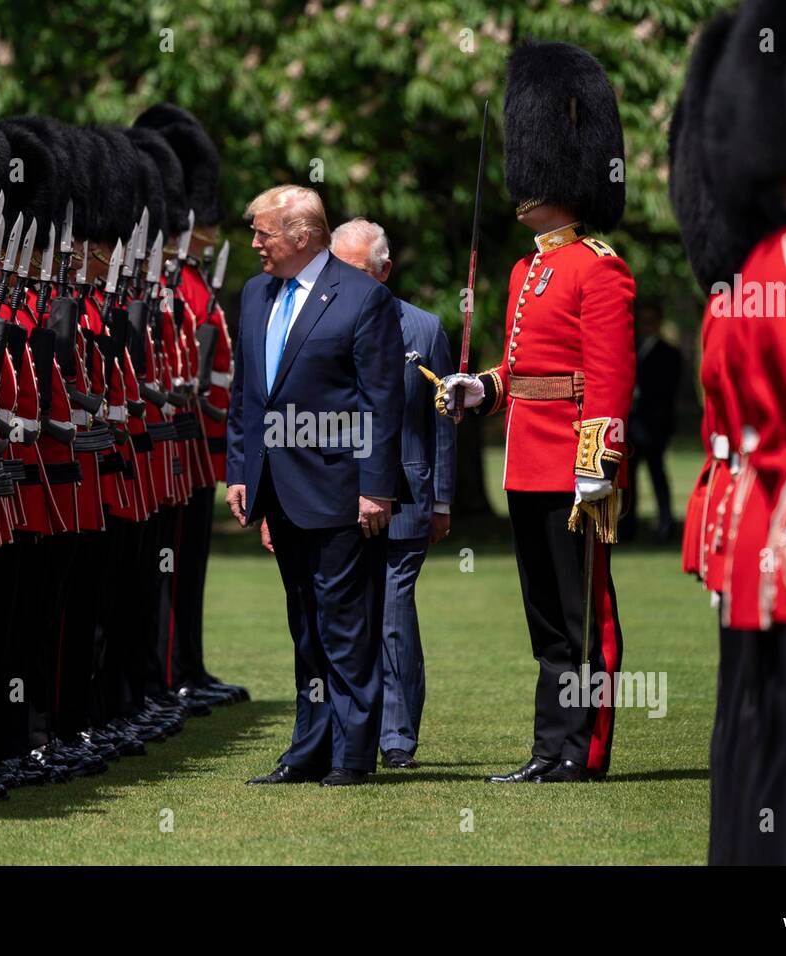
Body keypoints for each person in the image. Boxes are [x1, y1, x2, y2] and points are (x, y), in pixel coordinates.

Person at [437, 40, 635, 784]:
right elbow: (522, 369)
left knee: (587, 623)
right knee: (547, 624)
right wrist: (480, 388)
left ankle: (585, 751)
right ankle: (549, 747)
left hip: (574, 470)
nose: (521, 189)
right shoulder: (528, 268)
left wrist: (597, 471)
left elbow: (609, 381)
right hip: (525, 462)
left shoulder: (599, 268)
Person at [226, 185, 404, 787]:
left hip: (343, 491)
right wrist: (239, 471)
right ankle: (310, 747)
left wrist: (376, 488)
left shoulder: (362, 298)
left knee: (346, 627)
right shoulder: (255, 295)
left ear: (301, 237)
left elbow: (382, 401)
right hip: (279, 488)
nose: (254, 244)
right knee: (305, 627)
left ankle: (353, 755)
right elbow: (248, 394)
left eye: (263, 233)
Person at [328, 217, 455, 769]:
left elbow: (442, 424)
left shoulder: (423, 330)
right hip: (334, 494)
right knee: (340, 617)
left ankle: (397, 737)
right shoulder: (321, 323)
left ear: (384, 271)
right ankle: (345, 732)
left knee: (393, 613)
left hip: (405, 495)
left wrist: (443, 499)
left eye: (357, 272)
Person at [622, 302, 680, 542]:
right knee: (629, 480)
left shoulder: (669, 353)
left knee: (657, 475)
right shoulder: (630, 349)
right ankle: (627, 526)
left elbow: (668, 391)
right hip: (631, 424)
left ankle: (666, 523)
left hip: (653, 425)